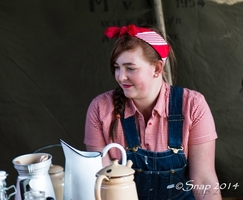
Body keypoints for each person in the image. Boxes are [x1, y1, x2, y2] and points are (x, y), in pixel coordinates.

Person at [84, 24, 222, 200]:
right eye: (117, 67)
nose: (120, 76)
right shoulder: (100, 109)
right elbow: (102, 183)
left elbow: (204, 180)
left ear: (157, 69)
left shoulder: (193, 105)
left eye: (130, 68)